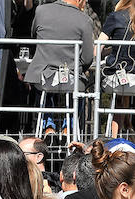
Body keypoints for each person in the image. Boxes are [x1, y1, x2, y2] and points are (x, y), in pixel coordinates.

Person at [24, 0, 94, 135]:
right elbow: (88, 58)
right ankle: (68, 127)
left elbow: (34, 38)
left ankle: (48, 127)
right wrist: (79, 67)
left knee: (43, 88)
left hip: (43, 75)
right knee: (79, 91)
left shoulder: (41, 10)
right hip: (71, 77)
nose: (84, 4)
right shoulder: (85, 19)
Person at [99, 0, 135, 137]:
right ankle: (129, 128)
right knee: (126, 90)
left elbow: (98, 48)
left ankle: (114, 136)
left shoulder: (115, 16)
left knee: (120, 90)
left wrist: (110, 51)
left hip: (115, 77)